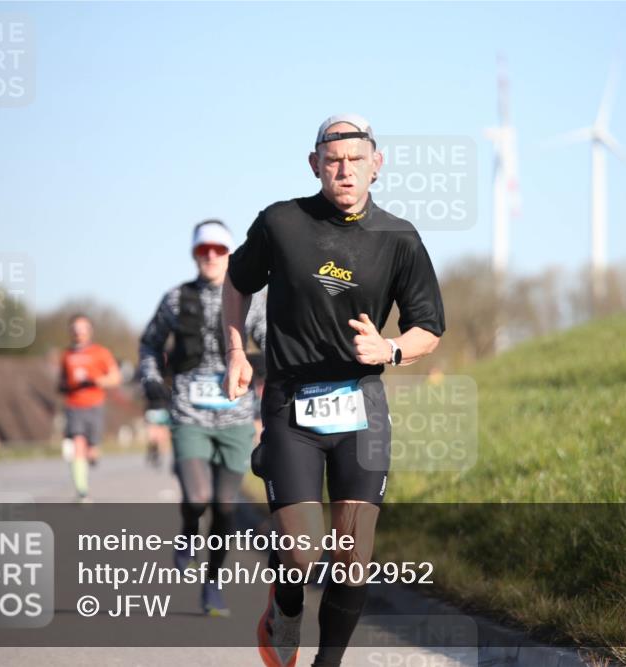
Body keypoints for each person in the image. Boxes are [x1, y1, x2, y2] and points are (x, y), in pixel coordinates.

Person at [222, 114, 445, 667]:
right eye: (333, 159)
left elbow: (429, 327)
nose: (345, 169)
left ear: (377, 164)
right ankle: (287, 603)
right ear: (315, 164)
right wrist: (234, 353)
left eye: (356, 158)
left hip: (360, 403)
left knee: (352, 556)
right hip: (291, 402)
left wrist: (390, 350)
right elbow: (236, 281)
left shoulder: (399, 238)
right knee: (299, 553)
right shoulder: (281, 223)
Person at [139, 219, 266, 616]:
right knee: (197, 498)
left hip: (236, 414)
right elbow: (149, 343)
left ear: (229, 253)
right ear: (195, 255)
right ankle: (189, 532)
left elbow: (272, 343)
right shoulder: (176, 299)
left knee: (226, 507)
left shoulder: (253, 299)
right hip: (189, 411)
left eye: (218, 249)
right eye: (202, 250)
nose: (210, 256)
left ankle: (212, 584)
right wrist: (151, 378)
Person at [59, 314, 122, 502]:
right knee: (77, 443)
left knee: (91, 449)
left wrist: (96, 380)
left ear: (89, 331)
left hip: (95, 405)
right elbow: (62, 381)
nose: (78, 333)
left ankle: (93, 453)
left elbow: (116, 378)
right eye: (75, 329)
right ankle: (82, 491)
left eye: (82, 328)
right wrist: (64, 386)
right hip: (73, 406)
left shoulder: (100, 352)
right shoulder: (66, 355)